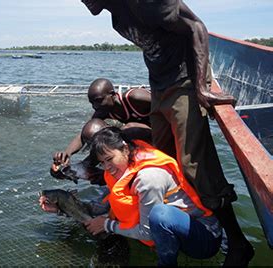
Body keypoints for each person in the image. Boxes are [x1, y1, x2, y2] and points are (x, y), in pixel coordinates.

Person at [80, 0, 253, 265]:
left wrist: (201, 88)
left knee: (193, 162)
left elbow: (196, 26)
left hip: (184, 81)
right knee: (163, 160)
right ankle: (177, 224)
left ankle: (237, 242)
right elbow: (155, 48)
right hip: (160, 88)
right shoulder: (117, 18)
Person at [84, 127, 222, 266]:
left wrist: (107, 225)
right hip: (180, 229)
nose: (107, 167)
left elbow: (147, 233)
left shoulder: (148, 179)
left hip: (205, 239)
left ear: (125, 149)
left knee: (159, 215)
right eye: (102, 162)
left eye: (109, 159)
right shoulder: (126, 165)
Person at [53, 78, 152, 169]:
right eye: (92, 103)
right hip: (145, 136)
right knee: (94, 129)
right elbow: (84, 133)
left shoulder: (135, 97)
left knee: (129, 129)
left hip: (162, 133)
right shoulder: (103, 110)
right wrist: (67, 153)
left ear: (112, 95)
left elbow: (166, 105)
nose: (95, 107)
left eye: (99, 101)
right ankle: (85, 167)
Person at [51, 118, 152, 185]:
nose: (106, 165)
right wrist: (58, 170)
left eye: (109, 158)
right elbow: (77, 171)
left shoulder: (134, 132)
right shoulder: (99, 151)